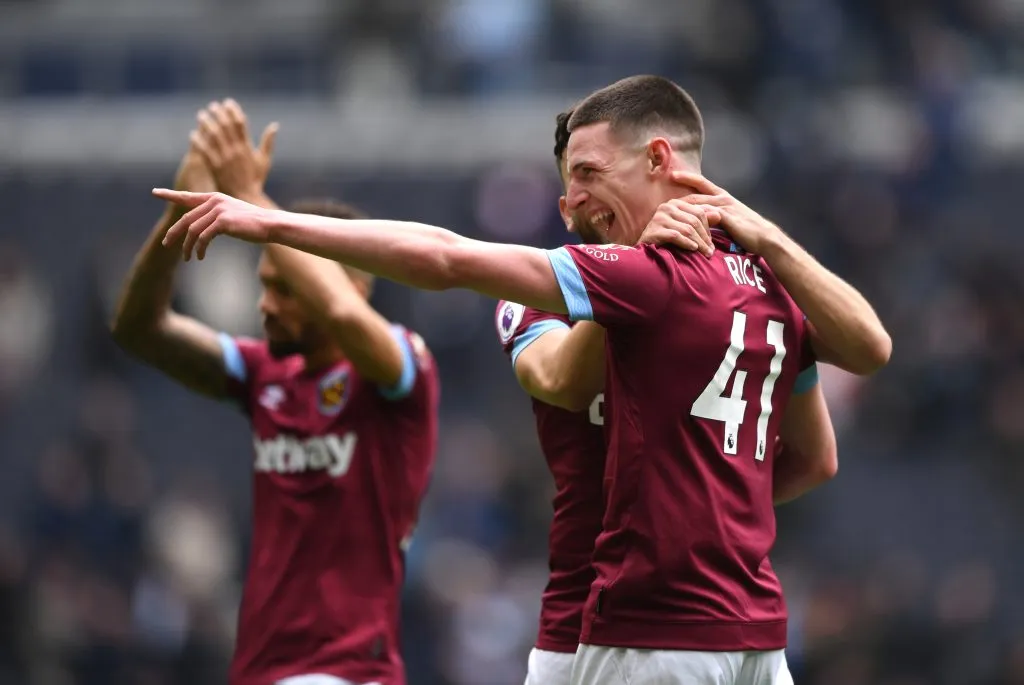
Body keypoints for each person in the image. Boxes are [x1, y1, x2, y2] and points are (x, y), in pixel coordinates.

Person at [154, 75, 891, 684]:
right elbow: (560, 380)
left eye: (587, 176)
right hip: (701, 622)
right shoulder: (728, 287)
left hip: (638, 620)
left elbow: (447, 259)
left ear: (660, 160)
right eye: (567, 183)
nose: (570, 205)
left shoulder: (674, 278)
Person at [112, 99, 439, 685]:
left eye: (283, 288)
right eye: (263, 286)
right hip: (260, 669)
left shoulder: (398, 369)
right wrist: (182, 216)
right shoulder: (263, 374)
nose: (264, 305)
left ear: (356, 283)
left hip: (347, 671)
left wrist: (254, 201)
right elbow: (140, 329)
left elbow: (338, 308)